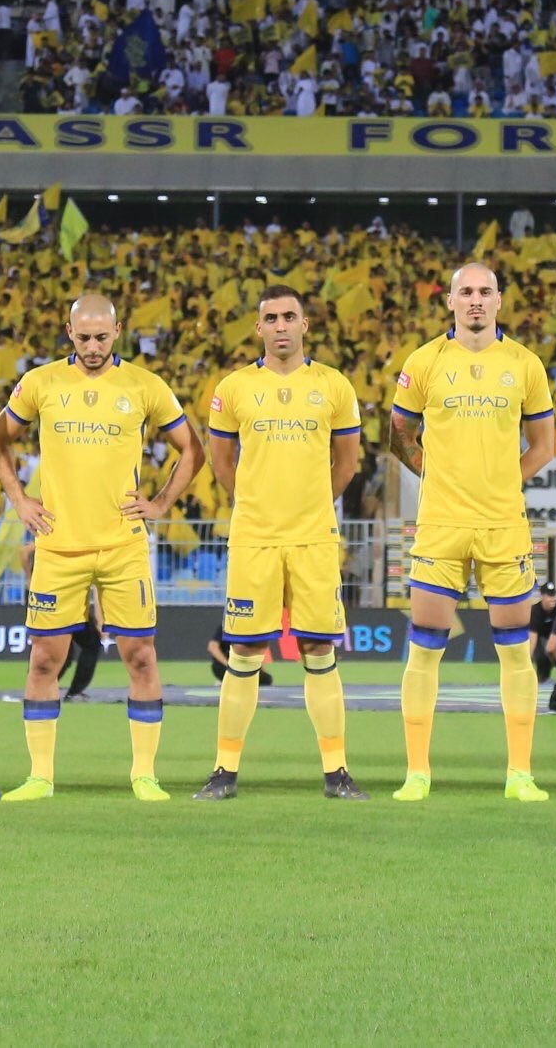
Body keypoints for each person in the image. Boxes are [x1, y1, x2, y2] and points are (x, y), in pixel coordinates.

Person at [0, 293, 201, 803]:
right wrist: (19, 500)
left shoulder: (144, 385)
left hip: (122, 546)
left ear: (118, 330)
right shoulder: (41, 382)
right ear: (68, 331)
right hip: (58, 546)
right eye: (82, 337)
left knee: (142, 658)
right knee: (44, 661)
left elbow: (191, 447)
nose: (91, 346)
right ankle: (40, 776)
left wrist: (160, 502)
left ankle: (144, 775)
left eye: (101, 337)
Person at [387, 262, 556, 802]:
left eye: (486, 292)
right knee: (425, 647)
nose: (476, 301)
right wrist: (431, 473)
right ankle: (417, 772)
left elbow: (545, 445)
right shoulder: (425, 361)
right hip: (440, 524)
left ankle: (520, 774)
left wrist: (506, 480)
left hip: (504, 524)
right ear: (451, 302)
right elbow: (398, 432)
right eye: (467, 292)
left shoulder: (525, 364)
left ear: (500, 300)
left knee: (515, 650)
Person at [195, 284, 367, 801]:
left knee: (319, 648)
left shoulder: (334, 385)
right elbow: (221, 462)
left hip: (313, 538)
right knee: (245, 650)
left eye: (290, 316)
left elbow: (348, 462)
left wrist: (313, 504)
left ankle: (336, 772)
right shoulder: (234, 388)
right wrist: (254, 502)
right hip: (255, 539)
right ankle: (225, 771)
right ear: (259, 327)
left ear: (304, 325)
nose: (282, 326)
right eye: (271, 318)